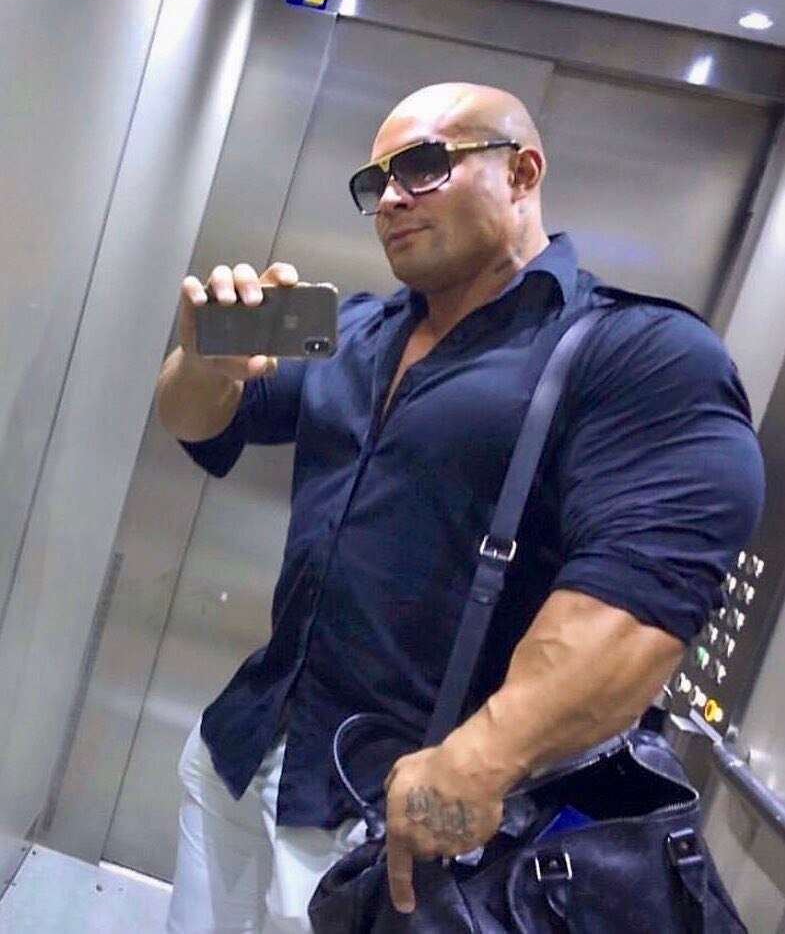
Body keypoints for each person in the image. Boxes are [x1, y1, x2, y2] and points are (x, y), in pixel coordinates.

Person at [156, 82, 764, 932]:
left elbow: (641, 595)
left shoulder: (639, 353)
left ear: (522, 172)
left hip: (398, 822)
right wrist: (203, 363)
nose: (391, 197)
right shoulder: (349, 329)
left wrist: (482, 759)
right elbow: (198, 423)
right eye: (376, 181)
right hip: (243, 747)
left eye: (422, 165)